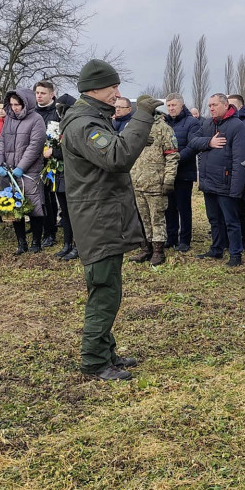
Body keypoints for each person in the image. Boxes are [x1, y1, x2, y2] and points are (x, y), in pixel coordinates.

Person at [60, 59, 159, 380]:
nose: (118, 92)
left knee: (109, 288)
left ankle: (106, 351)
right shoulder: (84, 125)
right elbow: (117, 157)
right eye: (112, 86)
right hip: (97, 218)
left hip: (100, 215)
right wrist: (142, 115)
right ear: (93, 89)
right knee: (104, 290)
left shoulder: (90, 118)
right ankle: (94, 361)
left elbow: (113, 152)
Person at [189, 93, 245, 267]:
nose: (211, 108)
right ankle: (216, 249)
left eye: (214, 105)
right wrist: (209, 142)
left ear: (225, 105)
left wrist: (236, 189)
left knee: (231, 221)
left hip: (226, 183)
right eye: (209, 106)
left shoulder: (237, 126)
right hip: (209, 182)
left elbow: (241, 160)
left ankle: (235, 254)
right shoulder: (208, 124)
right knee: (214, 219)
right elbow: (192, 141)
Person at [0, 88, 47, 255]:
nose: (14, 107)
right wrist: (0, 164)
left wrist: (21, 167)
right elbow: (2, 141)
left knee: (33, 206)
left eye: (17, 104)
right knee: (13, 205)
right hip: (9, 169)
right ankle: (21, 242)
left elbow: (35, 146)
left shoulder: (36, 119)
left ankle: (36, 241)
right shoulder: (9, 119)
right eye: (11, 104)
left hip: (28, 171)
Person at [129, 113, 179, 266]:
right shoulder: (132, 127)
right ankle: (146, 247)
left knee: (157, 218)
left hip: (156, 183)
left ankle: (158, 251)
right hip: (137, 181)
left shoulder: (164, 128)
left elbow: (172, 156)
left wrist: (169, 180)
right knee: (143, 218)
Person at [164, 93, 201, 252]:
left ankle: (185, 239)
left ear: (181, 105)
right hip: (167, 174)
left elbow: (193, 146)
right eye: (169, 106)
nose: (171, 108)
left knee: (183, 207)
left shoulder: (192, 123)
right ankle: (171, 237)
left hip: (184, 172)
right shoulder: (165, 123)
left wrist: (175, 160)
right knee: (169, 207)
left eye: (174, 105)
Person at [50, 93, 78, 260]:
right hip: (60, 174)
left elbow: (73, 151)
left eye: (61, 108)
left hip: (73, 174)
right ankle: (67, 243)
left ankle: (77, 245)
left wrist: (54, 152)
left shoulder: (75, 126)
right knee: (65, 213)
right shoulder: (60, 126)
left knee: (75, 213)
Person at [228, 93, 245, 252]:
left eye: (232, 104)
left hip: (241, 172)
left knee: (242, 207)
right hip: (228, 172)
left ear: (239, 106)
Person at [34, 79, 59, 247]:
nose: (39, 96)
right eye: (37, 93)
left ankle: (51, 231)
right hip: (35, 159)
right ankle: (42, 228)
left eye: (43, 93)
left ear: (51, 94)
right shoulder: (32, 112)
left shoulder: (58, 112)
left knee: (50, 197)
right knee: (40, 197)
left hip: (53, 161)